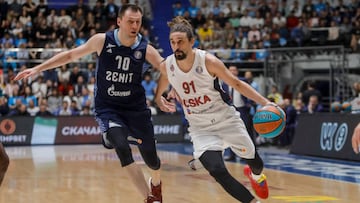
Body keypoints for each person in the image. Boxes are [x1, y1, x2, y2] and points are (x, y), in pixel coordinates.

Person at [14, 4, 163, 203]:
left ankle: (156, 183)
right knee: (121, 147)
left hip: (136, 109)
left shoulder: (146, 49)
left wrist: (161, 94)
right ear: (119, 21)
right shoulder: (102, 40)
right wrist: (37, 69)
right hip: (108, 108)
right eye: (130, 21)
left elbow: (167, 69)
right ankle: (150, 199)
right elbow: (69, 55)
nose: (135, 25)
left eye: (138, 22)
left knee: (153, 162)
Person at [155, 16, 274, 203]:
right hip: (200, 128)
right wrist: (159, 98)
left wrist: (265, 102)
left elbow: (236, 83)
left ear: (192, 42)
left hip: (226, 120)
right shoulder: (166, 66)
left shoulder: (208, 61)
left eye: (180, 42)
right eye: (172, 42)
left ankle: (256, 176)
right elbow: (163, 82)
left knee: (256, 164)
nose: (176, 46)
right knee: (218, 171)